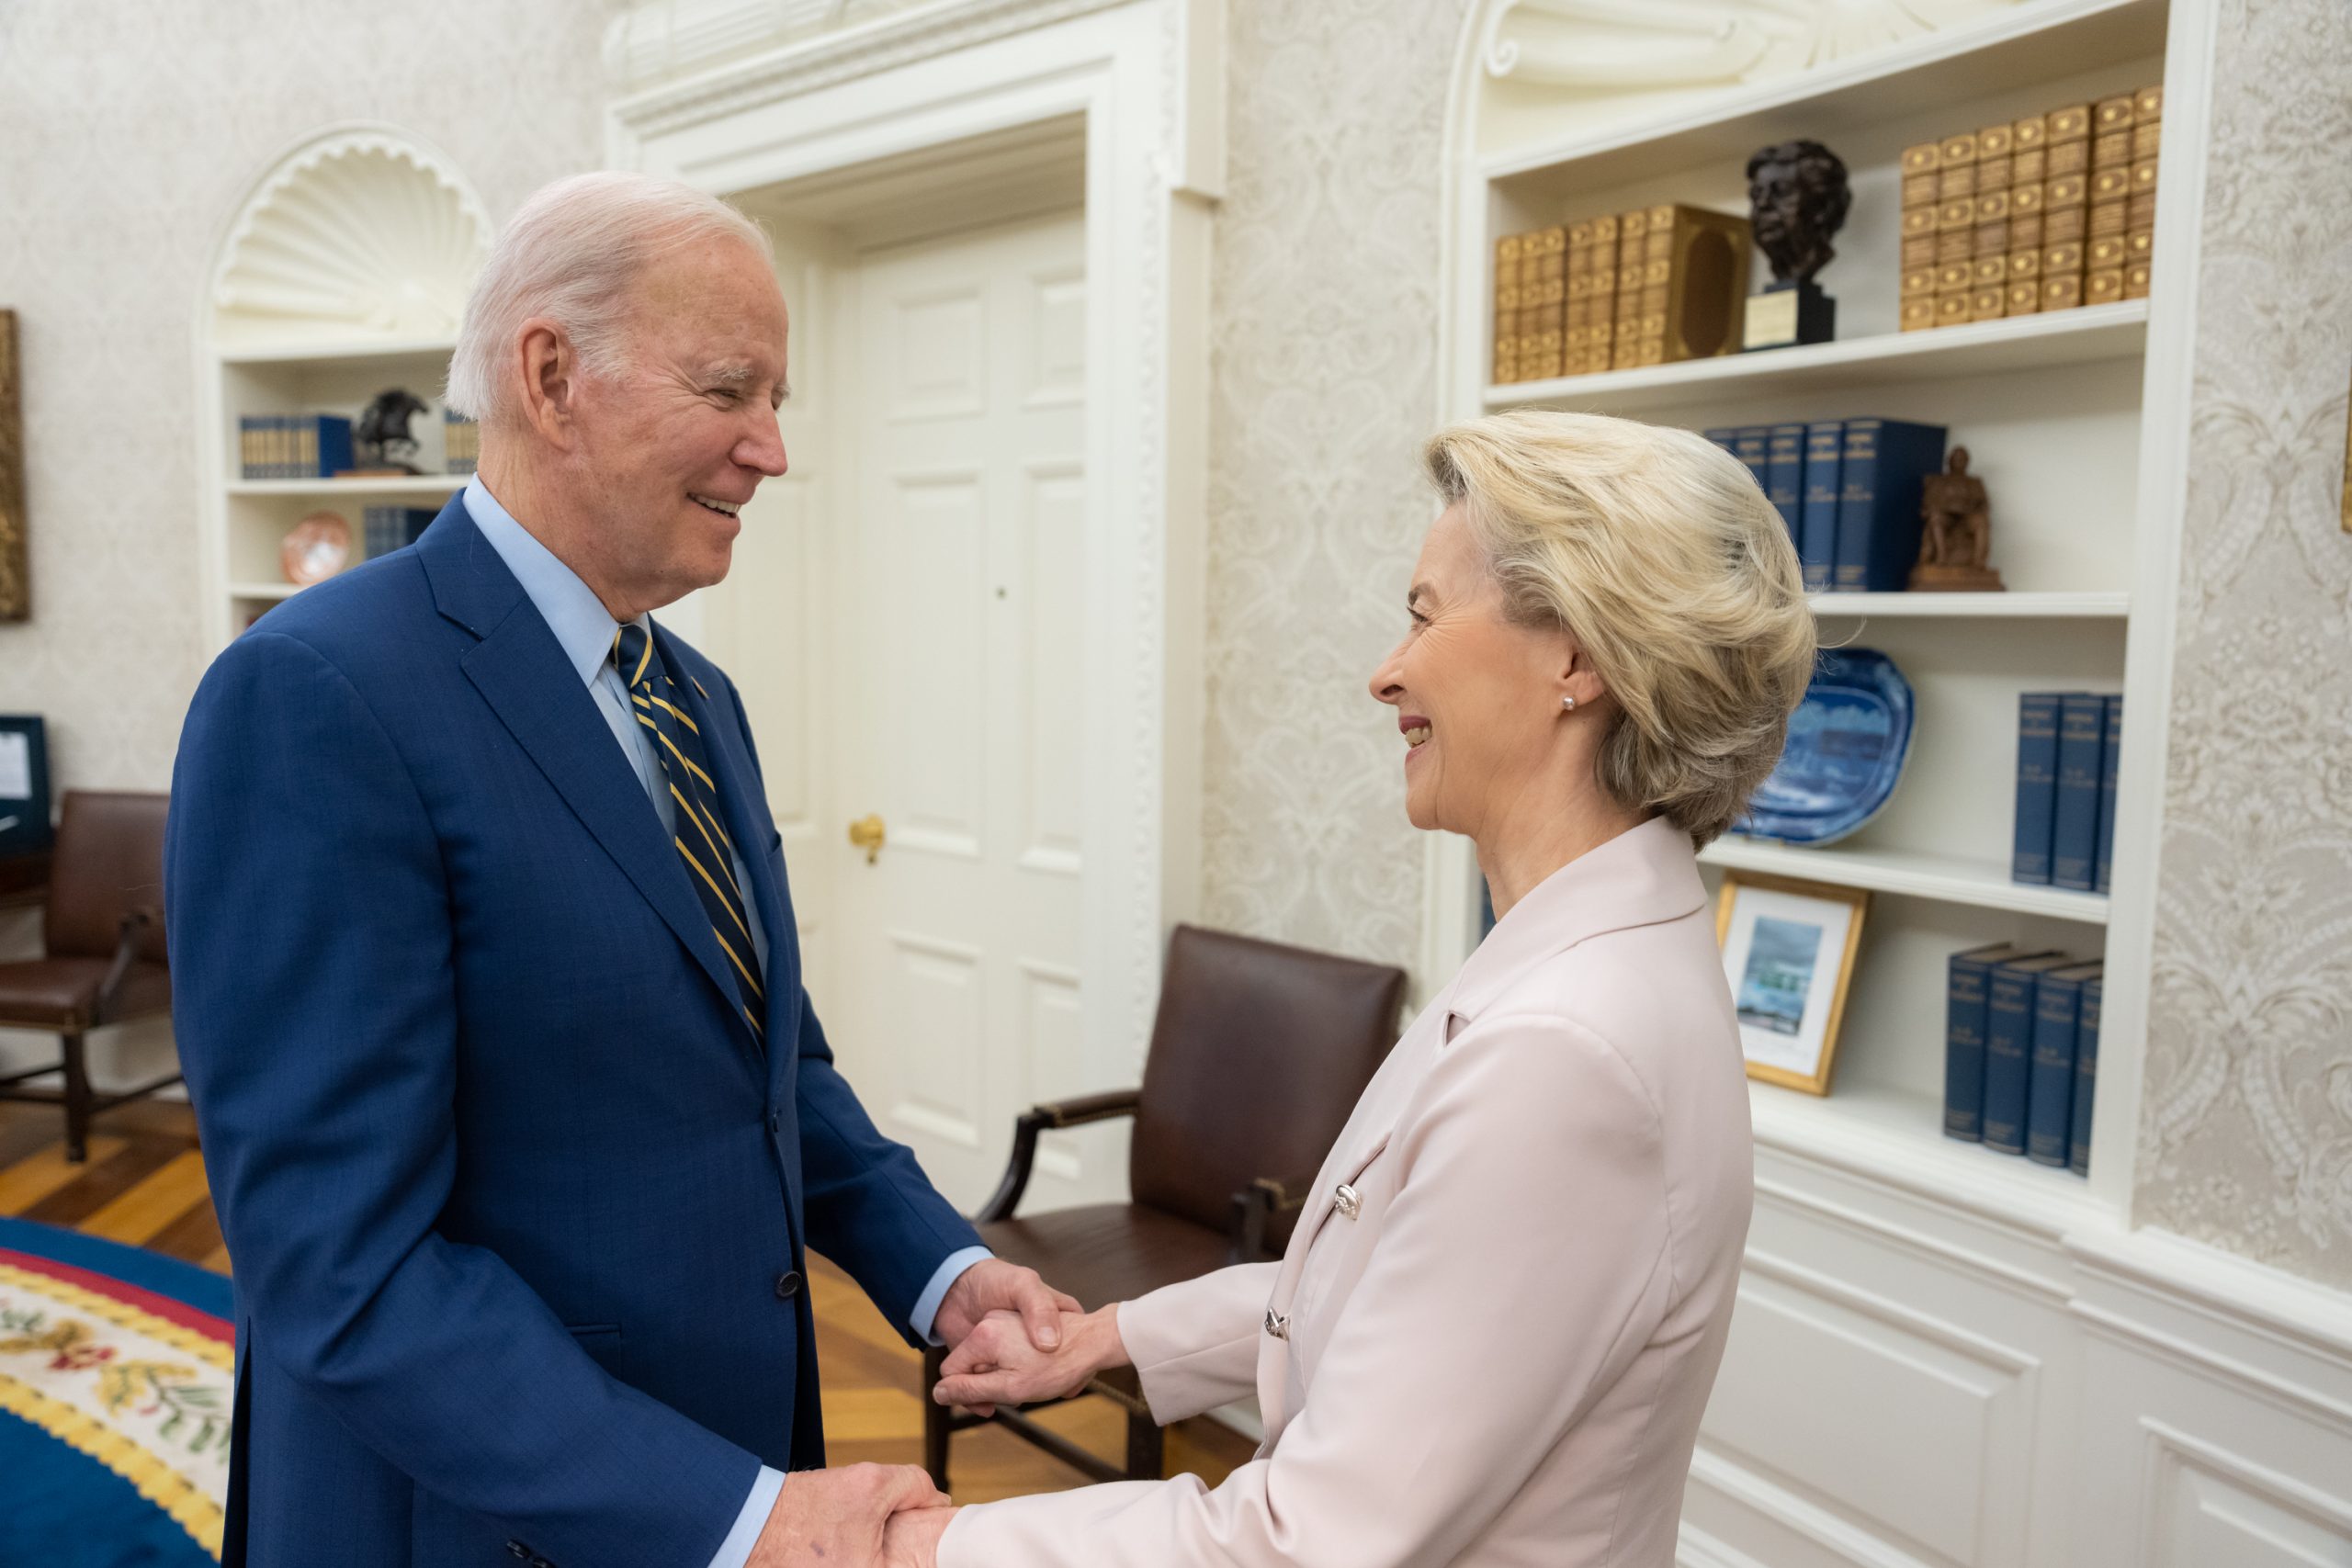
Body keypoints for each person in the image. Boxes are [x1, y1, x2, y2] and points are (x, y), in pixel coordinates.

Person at [166, 172, 1074, 1568]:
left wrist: (940, 1271)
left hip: (726, 1465)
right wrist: (737, 1513)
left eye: (780, 399)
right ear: (551, 376)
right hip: (471, 1515)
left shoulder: (696, 696)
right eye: (730, 390)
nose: (771, 448)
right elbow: (343, 1268)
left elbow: (774, 1076)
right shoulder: (315, 693)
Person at [886, 410, 1817, 1568]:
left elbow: (1309, 1540)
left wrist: (921, 1552)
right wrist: (1105, 1336)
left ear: (1576, 657)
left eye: (1423, 616)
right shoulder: (1591, 951)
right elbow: (1378, 1289)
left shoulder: (1566, 1054)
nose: (1386, 672)